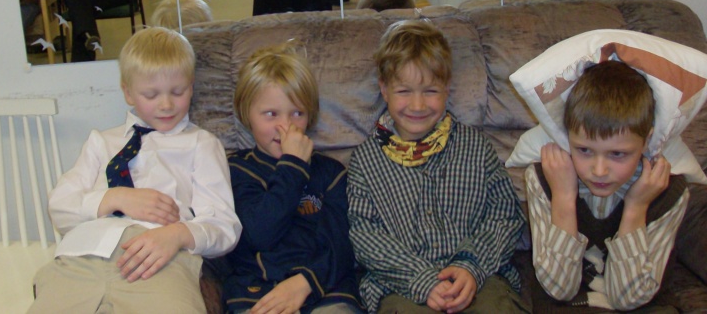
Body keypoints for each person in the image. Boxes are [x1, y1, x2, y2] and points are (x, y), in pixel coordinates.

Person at [29, 27, 241, 313]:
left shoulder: (201, 144)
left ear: (191, 87)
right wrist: (115, 198)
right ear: (128, 92)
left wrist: (178, 235)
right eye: (151, 95)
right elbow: (59, 207)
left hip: (160, 259)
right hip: (82, 255)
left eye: (177, 92)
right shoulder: (101, 142)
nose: (166, 104)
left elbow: (224, 226)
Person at [347, 20, 527, 313]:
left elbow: (505, 215)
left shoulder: (476, 148)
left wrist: (471, 265)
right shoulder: (365, 161)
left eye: (430, 91)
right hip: (401, 285)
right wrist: (422, 280)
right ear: (384, 89)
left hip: (479, 279)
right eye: (404, 91)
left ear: (447, 88)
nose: (418, 105)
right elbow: (365, 236)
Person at [525, 60, 689, 311]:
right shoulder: (544, 179)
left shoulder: (668, 191)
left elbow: (629, 298)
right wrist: (563, 197)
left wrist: (636, 208)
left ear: (646, 141)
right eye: (584, 150)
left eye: (617, 154)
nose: (599, 171)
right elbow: (559, 289)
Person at [225, 43, 361, 313]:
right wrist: (293, 166)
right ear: (246, 115)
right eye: (271, 114)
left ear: (310, 116)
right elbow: (260, 234)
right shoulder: (236, 170)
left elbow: (344, 243)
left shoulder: (332, 173)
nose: (285, 126)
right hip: (258, 293)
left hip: (326, 292)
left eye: (297, 113)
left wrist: (306, 282)